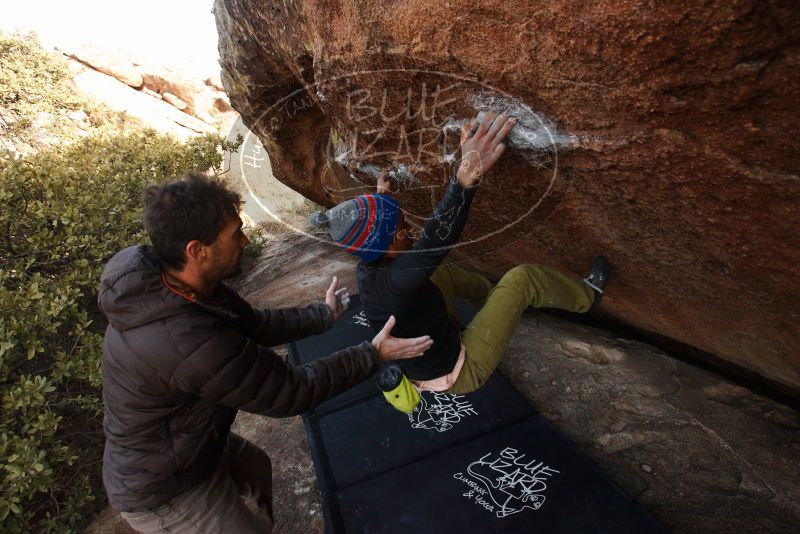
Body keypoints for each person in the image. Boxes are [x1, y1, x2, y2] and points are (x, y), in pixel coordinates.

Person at [98, 173, 432, 533]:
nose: (244, 240)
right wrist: (372, 354)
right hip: (166, 488)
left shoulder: (179, 286)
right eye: (234, 234)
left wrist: (322, 315)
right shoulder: (185, 339)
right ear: (197, 250)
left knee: (255, 468)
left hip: (192, 448)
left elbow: (253, 325)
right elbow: (291, 391)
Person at [311, 112, 609, 404]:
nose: (410, 231)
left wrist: (382, 199)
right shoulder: (396, 282)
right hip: (460, 369)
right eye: (402, 230)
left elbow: (397, 242)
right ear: (386, 247)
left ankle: (494, 299)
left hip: (437, 334)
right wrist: (466, 176)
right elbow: (437, 236)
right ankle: (588, 296)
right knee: (522, 279)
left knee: (440, 274)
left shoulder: (374, 265)